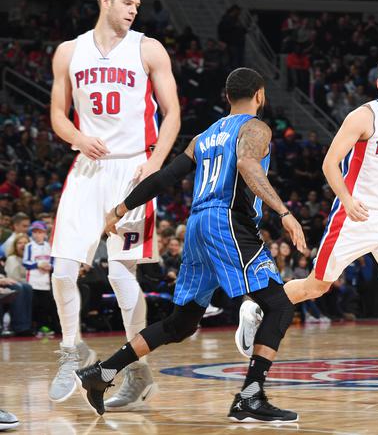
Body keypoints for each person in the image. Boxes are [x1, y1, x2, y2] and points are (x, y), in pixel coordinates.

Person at [74, 67, 307, 422]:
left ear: (227, 97)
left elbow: (166, 176)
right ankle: (250, 395)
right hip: (227, 220)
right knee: (279, 305)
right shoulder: (256, 127)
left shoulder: (204, 137)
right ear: (260, 95)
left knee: (180, 324)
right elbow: (247, 163)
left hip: (197, 225)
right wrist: (284, 212)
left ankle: (102, 373)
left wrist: (121, 208)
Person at [237, 56, 378, 397]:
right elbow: (330, 162)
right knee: (318, 286)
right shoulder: (363, 116)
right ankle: (258, 305)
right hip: (354, 214)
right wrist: (346, 200)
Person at [48, 0, 181, 407]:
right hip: (88, 167)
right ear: (105, 1)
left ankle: (137, 372)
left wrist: (156, 163)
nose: (133, 10)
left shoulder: (148, 48)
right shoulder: (69, 52)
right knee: (63, 270)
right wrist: (77, 137)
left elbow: (173, 113)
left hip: (131, 169)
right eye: (126, 3)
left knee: (122, 275)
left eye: (137, 6)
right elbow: (57, 115)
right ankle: (72, 349)